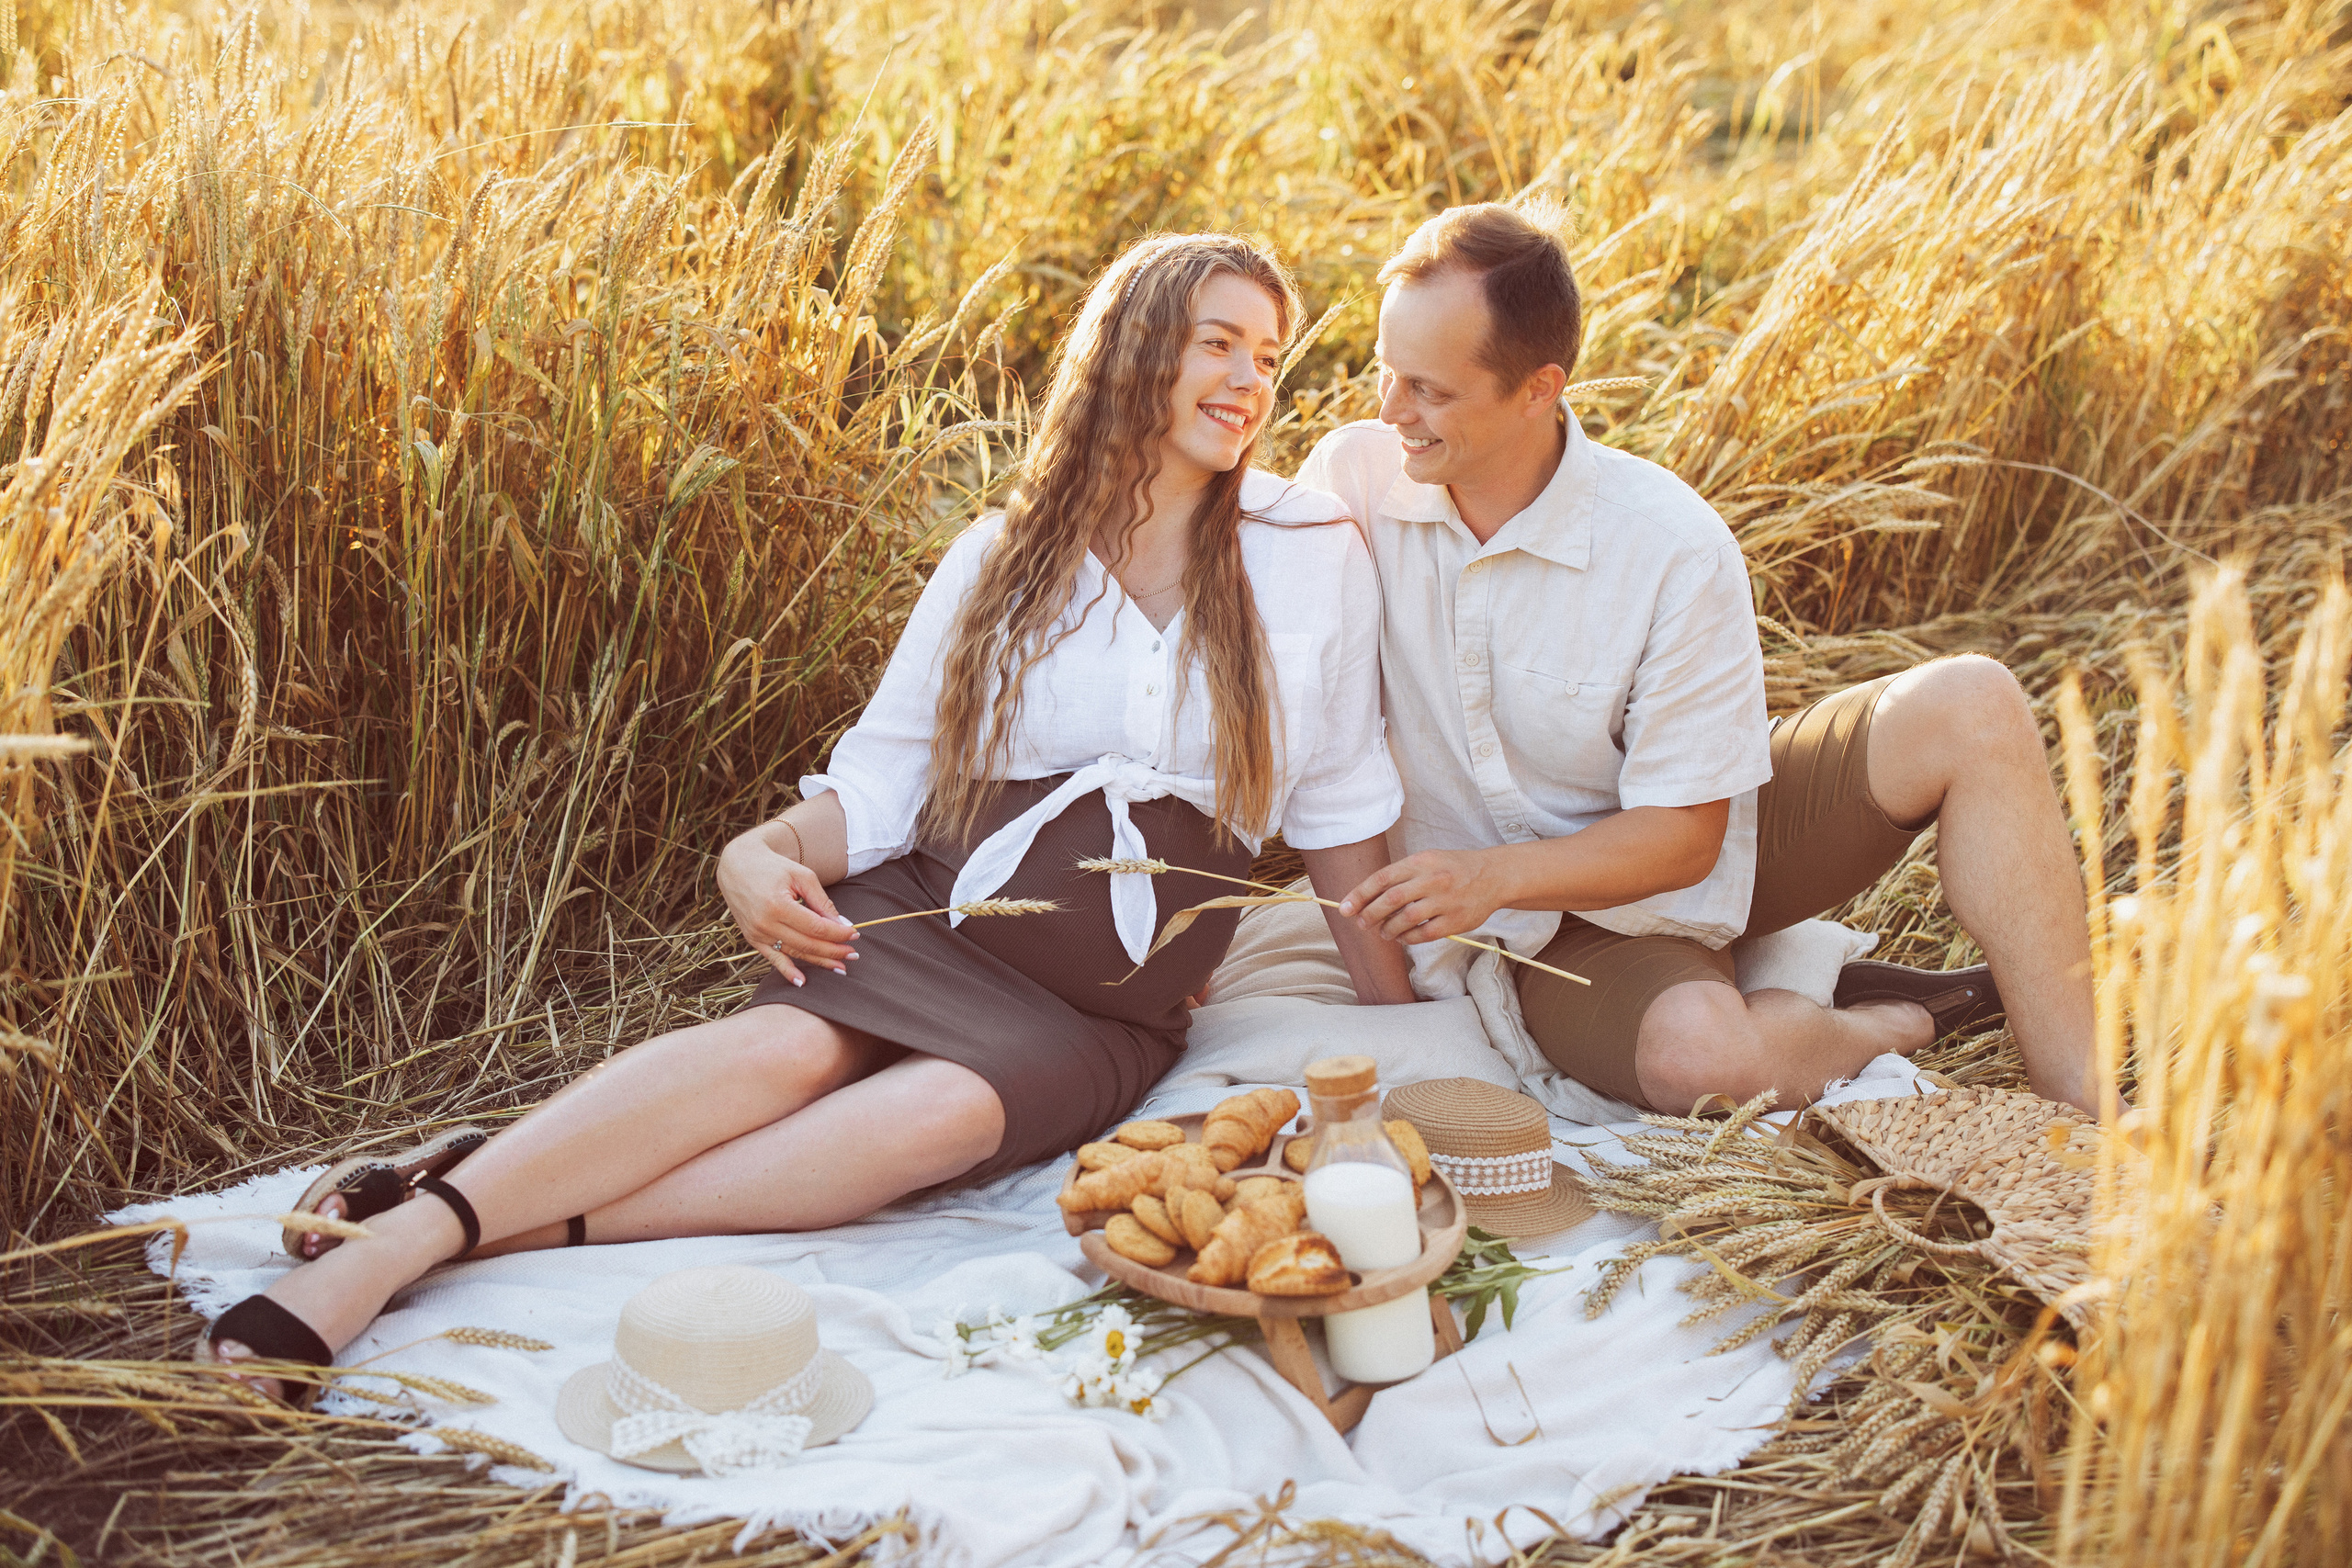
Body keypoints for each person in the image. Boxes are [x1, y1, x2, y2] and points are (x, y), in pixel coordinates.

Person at [199, 233, 1417, 1399]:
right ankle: (387, 1252)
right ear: (1136, 349)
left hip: (1104, 1009)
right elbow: (887, 784)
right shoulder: (1002, 557)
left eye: (1269, 354)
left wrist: (1403, 1022)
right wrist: (764, 846)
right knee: (792, 1046)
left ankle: (442, 1223)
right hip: (933, 914)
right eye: (1220, 343)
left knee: (937, 1114)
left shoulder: (1307, 549)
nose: (1251, 379)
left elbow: (1342, 802)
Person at [1299, 201, 2100, 1119]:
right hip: (1546, 940)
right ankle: (1894, 1018)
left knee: (1976, 701)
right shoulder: (1353, 487)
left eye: (1428, 390)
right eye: (1383, 373)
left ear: (1538, 388)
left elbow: (1687, 838)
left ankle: (2083, 1106)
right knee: (1702, 1060)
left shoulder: (1669, 544)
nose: (1387, 411)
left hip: (1682, 848)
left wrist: (1489, 876)